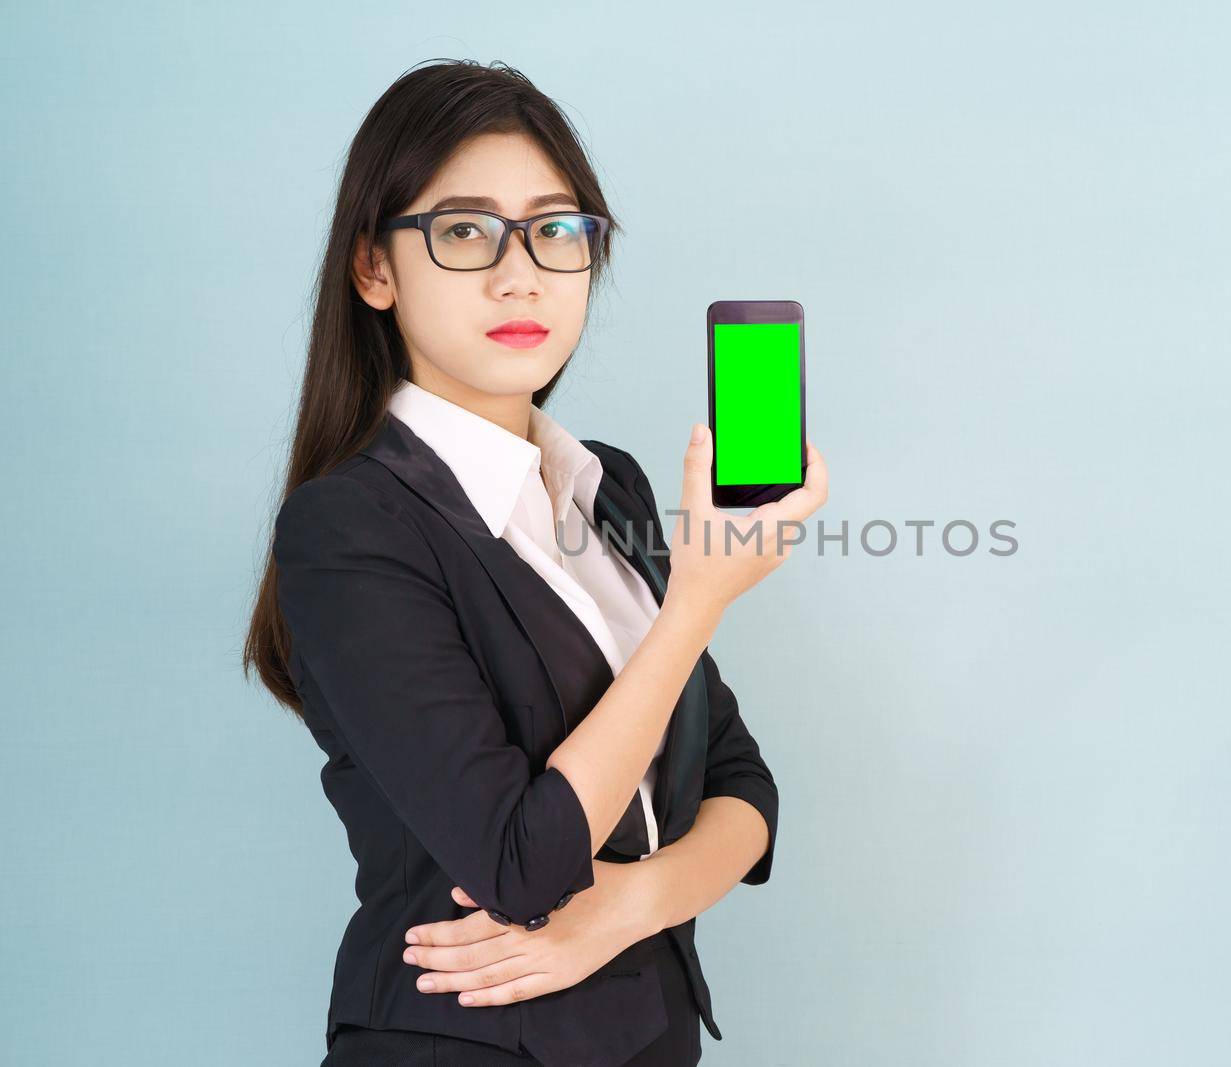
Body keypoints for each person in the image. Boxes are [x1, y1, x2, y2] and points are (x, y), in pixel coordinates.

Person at [242, 59, 828, 1066]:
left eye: (556, 230)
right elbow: (523, 862)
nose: (522, 274)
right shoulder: (349, 528)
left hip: (650, 1036)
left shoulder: (615, 489)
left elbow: (745, 790)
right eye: (464, 231)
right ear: (374, 269)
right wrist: (696, 604)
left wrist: (628, 904)